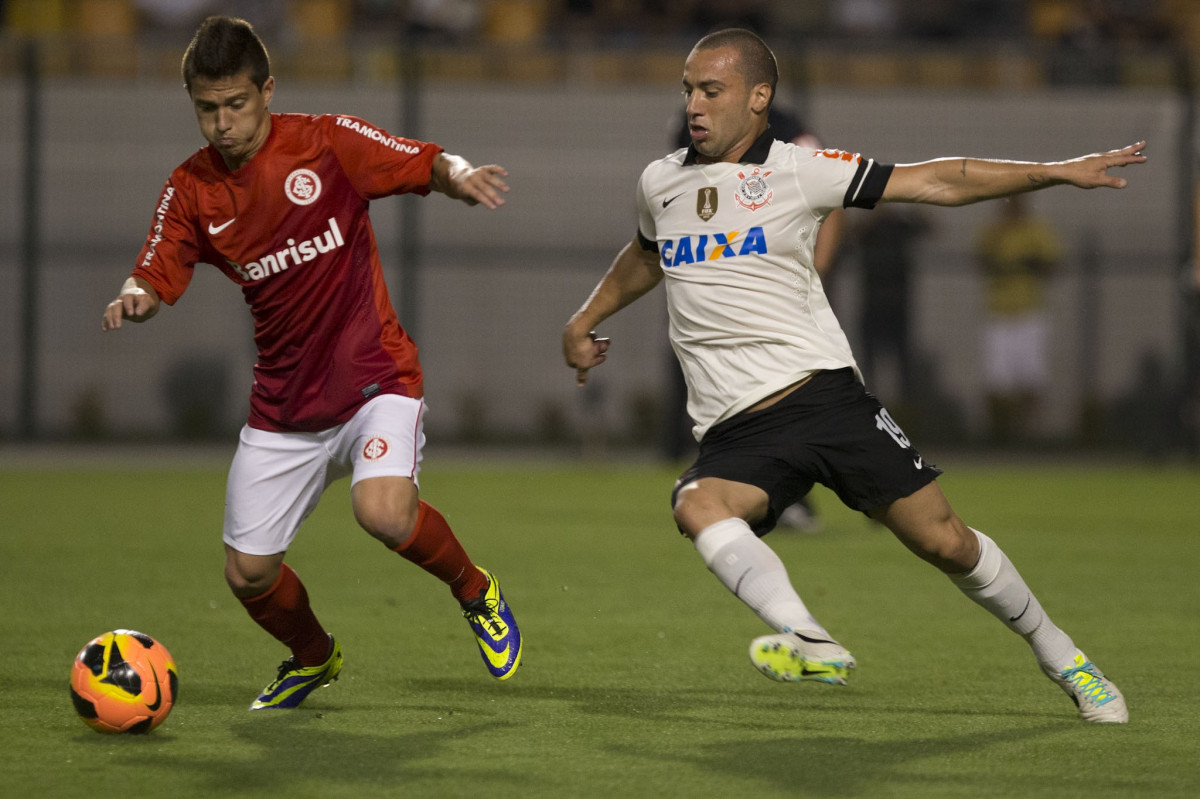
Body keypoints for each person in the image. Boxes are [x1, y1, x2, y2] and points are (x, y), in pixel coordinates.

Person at [562, 27, 1142, 723]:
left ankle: (1063, 655)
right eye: (688, 89)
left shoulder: (799, 170)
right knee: (696, 503)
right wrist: (584, 318)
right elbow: (646, 255)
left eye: (711, 90)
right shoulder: (660, 181)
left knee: (946, 541)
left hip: (823, 396)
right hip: (735, 428)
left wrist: (1051, 170)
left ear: (758, 97)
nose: (694, 104)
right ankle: (806, 634)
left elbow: (934, 179)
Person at [101, 16, 522, 710]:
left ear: (268, 90)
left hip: (375, 379)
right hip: (285, 408)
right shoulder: (193, 189)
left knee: (383, 512)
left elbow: (422, 159)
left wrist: (461, 174)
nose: (222, 122)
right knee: (248, 573)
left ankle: (476, 590)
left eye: (236, 104)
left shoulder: (326, 143)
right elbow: (154, 268)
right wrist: (135, 296)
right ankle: (313, 656)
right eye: (207, 108)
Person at [667, 103, 844, 533]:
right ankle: (751, 493)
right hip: (728, 285)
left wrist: (813, 275)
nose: (700, 98)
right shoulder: (693, 127)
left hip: (781, 284)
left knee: (797, 391)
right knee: (734, 392)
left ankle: (845, 483)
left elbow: (832, 203)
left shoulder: (787, 130)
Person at [976, 194, 1063, 444]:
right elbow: (981, 261)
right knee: (996, 380)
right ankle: (1000, 436)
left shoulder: (1036, 231)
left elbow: (1052, 264)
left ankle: (1027, 435)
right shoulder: (994, 231)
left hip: (1029, 312)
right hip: (998, 312)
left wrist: (1027, 264)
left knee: (1031, 377)